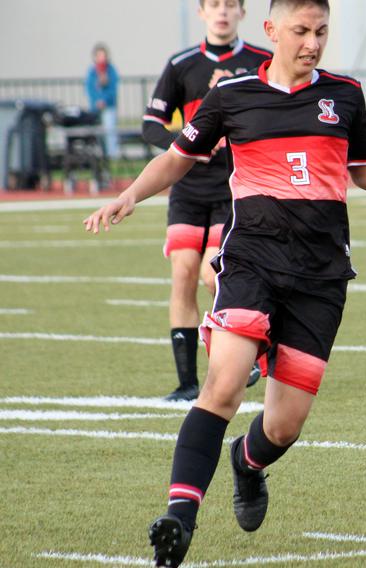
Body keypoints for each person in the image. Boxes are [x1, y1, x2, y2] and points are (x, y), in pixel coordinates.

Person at [83, 1, 366, 566]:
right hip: (251, 262)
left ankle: (248, 463)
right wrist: (130, 194)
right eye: (301, 31)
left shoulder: (345, 95)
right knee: (225, 385)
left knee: (284, 425)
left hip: (320, 276)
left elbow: (364, 168)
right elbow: (178, 158)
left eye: (321, 32)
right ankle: (178, 522)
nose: (312, 43)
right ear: (271, 31)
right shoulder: (231, 96)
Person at [142, 0, 272, 402]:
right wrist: (185, 144)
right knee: (182, 273)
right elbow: (151, 125)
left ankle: (245, 354)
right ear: (201, 13)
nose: (222, 11)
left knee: (211, 273)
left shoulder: (262, 61)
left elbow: (275, 112)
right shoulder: (181, 64)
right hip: (187, 188)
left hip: (234, 187)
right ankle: (186, 383)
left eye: (230, 5)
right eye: (214, 4)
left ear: (242, 13)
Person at [85, 43, 120, 158]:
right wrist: (97, 101)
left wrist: (104, 100)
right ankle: (99, 153)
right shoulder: (92, 72)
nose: (102, 58)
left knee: (110, 129)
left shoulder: (111, 71)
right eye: (99, 56)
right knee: (97, 131)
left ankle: (112, 154)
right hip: (95, 108)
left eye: (103, 56)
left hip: (109, 106)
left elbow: (113, 89)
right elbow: (90, 89)